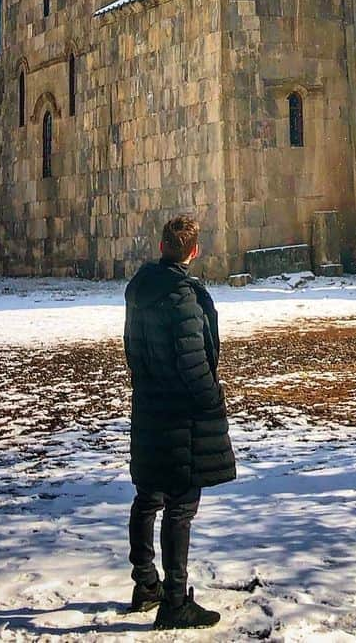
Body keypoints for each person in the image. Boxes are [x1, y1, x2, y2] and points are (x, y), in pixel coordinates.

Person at [123, 215, 236, 629]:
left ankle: (145, 584)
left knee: (147, 495)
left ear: (160, 248)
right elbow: (194, 362)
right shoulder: (183, 297)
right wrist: (211, 401)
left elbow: (132, 350)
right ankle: (174, 601)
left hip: (149, 408)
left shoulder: (139, 292)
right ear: (193, 251)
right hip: (181, 417)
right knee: (180, 507)